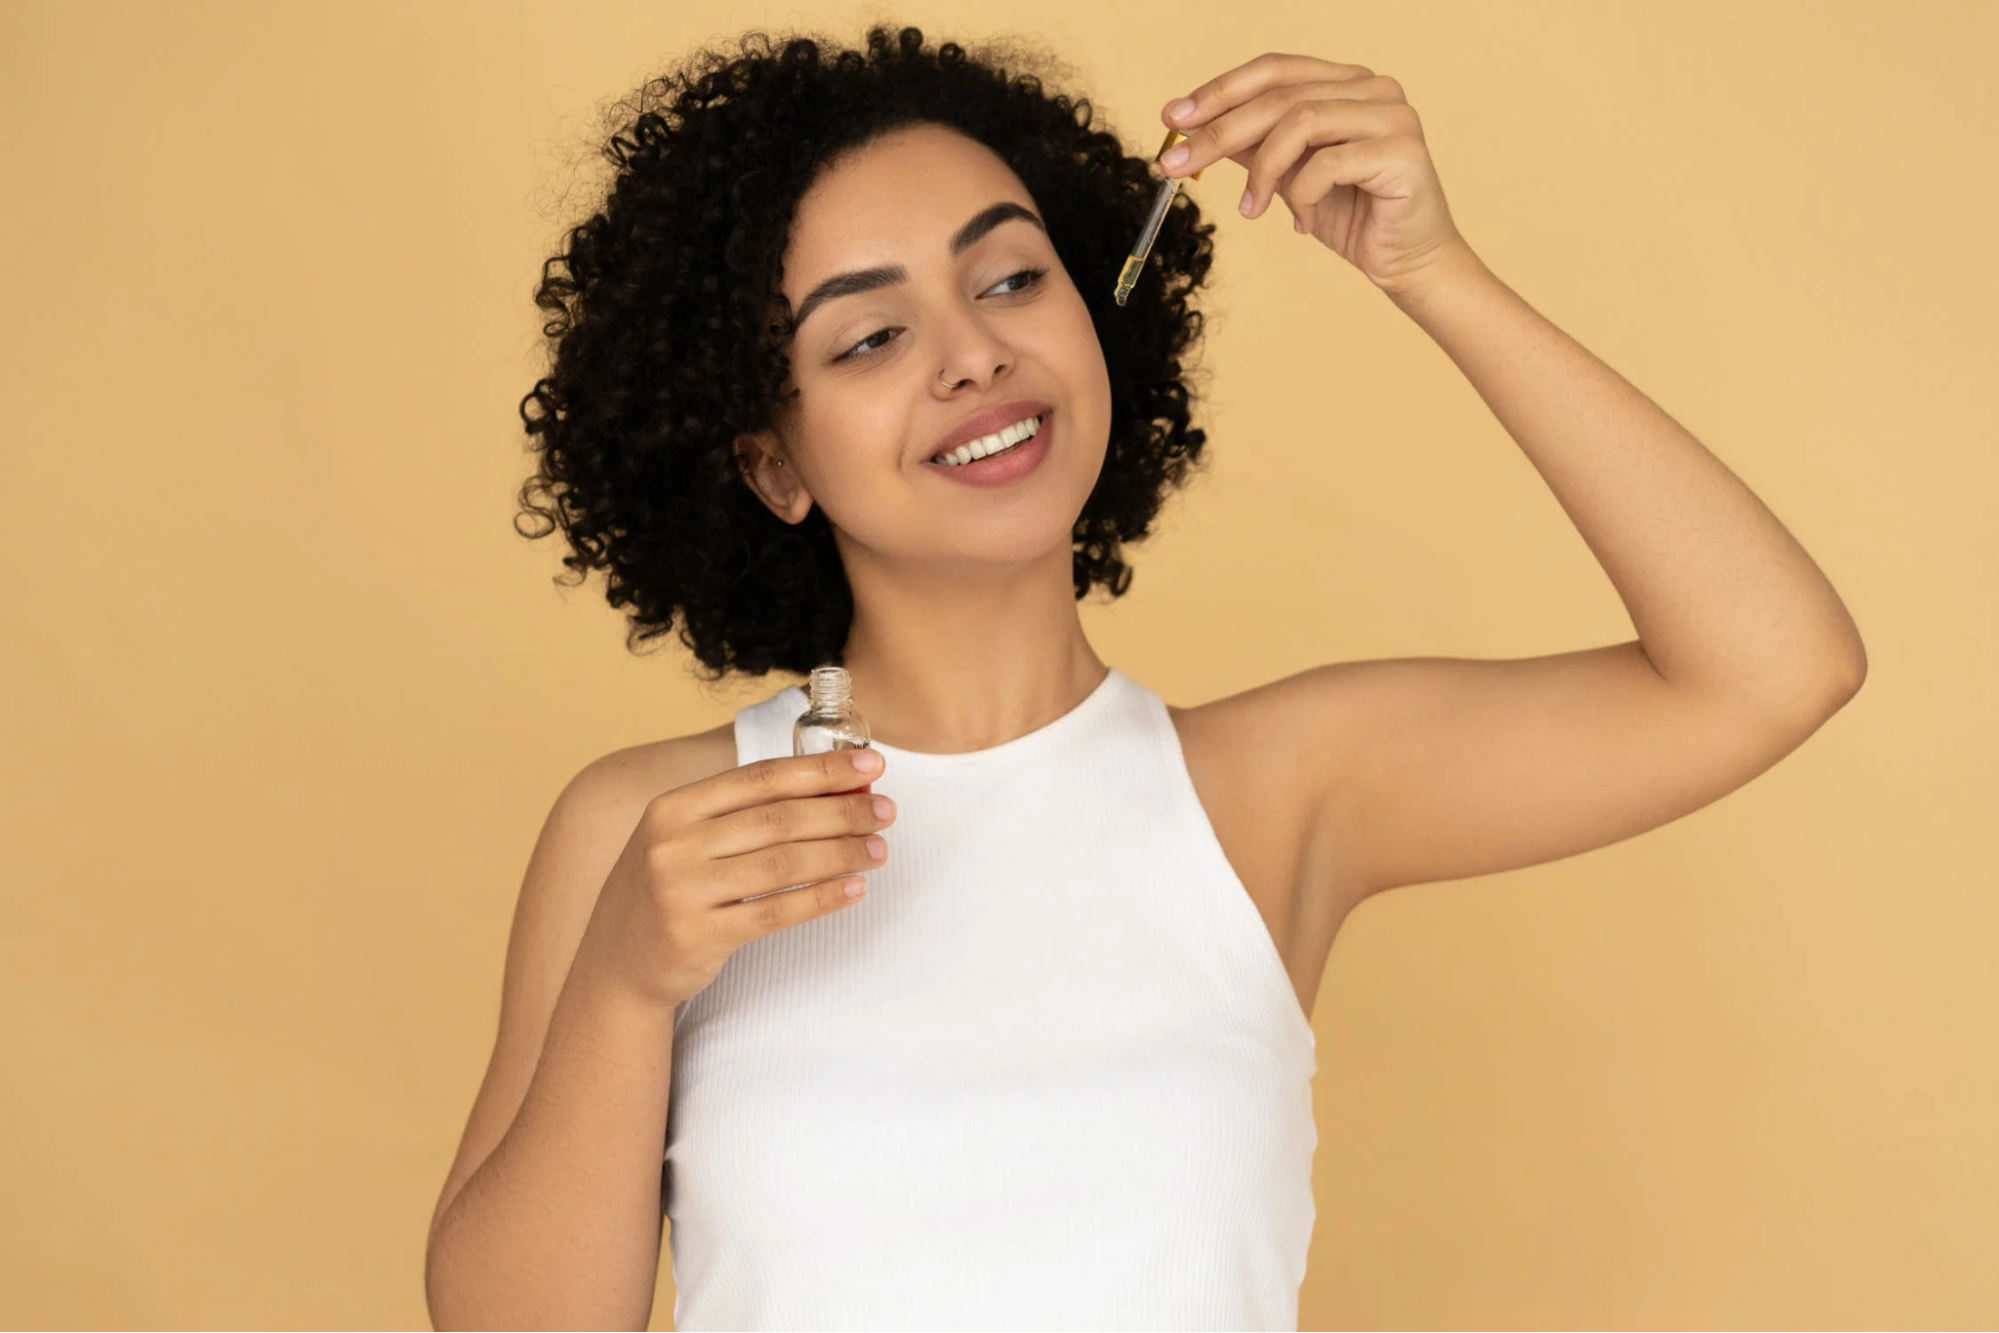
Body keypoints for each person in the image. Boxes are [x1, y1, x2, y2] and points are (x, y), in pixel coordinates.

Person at [423, 24, 1866, 1332]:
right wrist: (621, 984)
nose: (974, 354)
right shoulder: (653, 835)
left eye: (1009, 277)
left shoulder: (1274, 791)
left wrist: (1431, 269)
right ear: (770, 462)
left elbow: (1769, 669)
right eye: (869, 336)